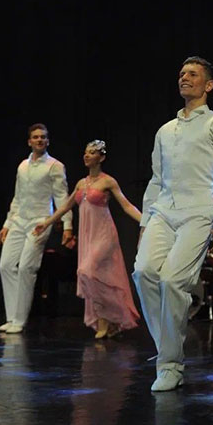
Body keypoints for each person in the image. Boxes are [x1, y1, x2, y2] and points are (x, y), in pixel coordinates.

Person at [134, 56, 213, 392]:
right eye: (182, 73)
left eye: (193, 74)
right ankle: (167, 350)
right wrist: (144, 223)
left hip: (199, 210)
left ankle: (170, 364)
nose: (184, 77)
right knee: (143, 272)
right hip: (163, 210)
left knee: (173, 281)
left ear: (208, 85)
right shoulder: (165, 131)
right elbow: (156, 180)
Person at [34, 139, 142, 339]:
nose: (87, 155)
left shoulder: (108, 182)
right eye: (86, 152)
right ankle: (107, 321)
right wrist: (47, 223)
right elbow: (65, 207)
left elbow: (126, 205)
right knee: (96, 278)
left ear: (101, 157)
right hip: (87, 235)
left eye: (92, 152)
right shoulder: (81, 183)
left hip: (104, 234)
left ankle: (111, 317)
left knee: (87, 271)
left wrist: (146, 221)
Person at [0, 123, 74, 334]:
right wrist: (7, 224)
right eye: (36, 137)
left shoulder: (54, 166)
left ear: (47, 141)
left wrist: (67, 226)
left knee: (26, 268)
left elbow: (62, 197)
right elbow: (17, 198)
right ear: (29, 141)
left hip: (40, 221)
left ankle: (19, 320)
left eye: (43, 137)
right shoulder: (22, 166)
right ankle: (11, 317)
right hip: (19, 220)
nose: (40, 139)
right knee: (5, 265)